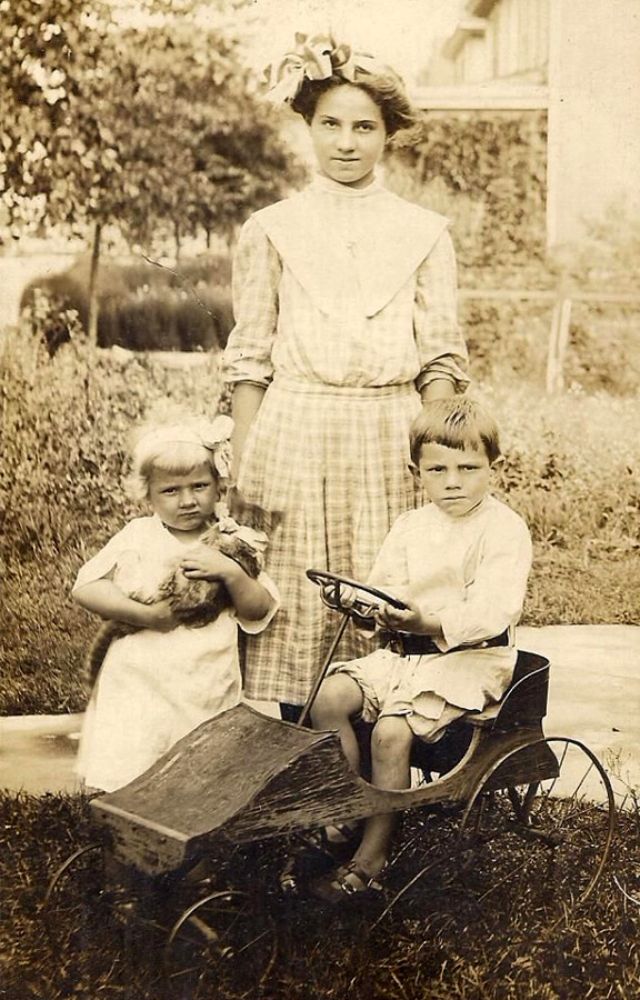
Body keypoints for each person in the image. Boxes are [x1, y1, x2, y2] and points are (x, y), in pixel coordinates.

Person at [223, 33, 469, 719]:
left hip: (389, 431)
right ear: (307, 125)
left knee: (385, 592)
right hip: (295, 430)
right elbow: (251, 355)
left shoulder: (423, 230)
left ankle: (380, 750)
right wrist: (244, 462)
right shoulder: (272, 228)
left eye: (365, 127)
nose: (346, 142)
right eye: (330, 123)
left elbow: (440, 358)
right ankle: (304, 759)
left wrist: (436, 455)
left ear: (388, 134)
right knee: (297, 602)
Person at [307, 397, 533, 902]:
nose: (453, 482)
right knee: (326, 699)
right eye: (437, 470)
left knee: (390, 733)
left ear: (493, 468)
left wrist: (428, 622)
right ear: (417, 473)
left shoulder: (503, 528)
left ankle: (374, 854)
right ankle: (348, 810)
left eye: (468, 468)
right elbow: (385, 587)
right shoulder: (411, 526)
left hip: (468, 658)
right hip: (405, 656)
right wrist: (362, 603)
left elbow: (495, 609)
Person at [72, 417, 279, 793]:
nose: (187, 501)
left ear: (218, 486)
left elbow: (259, 608)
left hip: (206, 676)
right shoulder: (139, 535)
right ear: (147, 495)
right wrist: (146, 615)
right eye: (170, 491)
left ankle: (193, 813)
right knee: (138, 752)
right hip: (140, 677)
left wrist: (231, 573)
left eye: (199, 486)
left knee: (201, 761)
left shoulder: (231, 540)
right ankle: (131, 810)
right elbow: (87, 587)